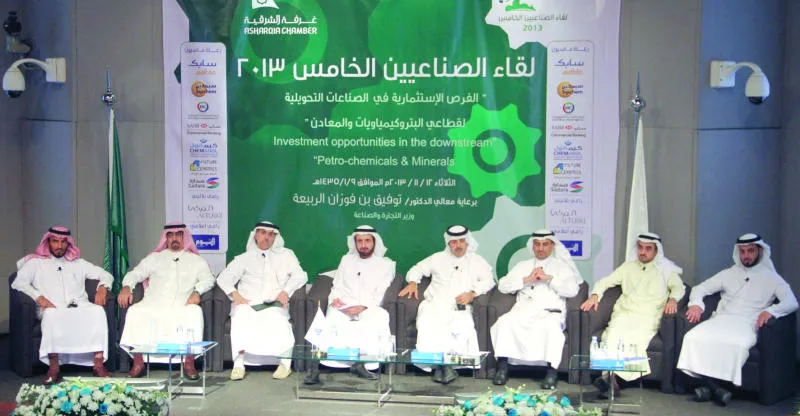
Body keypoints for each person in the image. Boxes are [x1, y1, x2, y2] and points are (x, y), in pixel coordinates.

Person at [677, 234, 798, 406]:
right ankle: (717, 390)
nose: (746, 255)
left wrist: (771, 311)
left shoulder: (772, 278)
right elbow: (700, 288)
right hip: (721, 320)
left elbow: (791, 302)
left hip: (748, 323)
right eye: (742, 251)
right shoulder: (728, 274)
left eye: (750, 251)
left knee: (737, 345)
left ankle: (709, 388)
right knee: (692, 337)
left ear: (759, 251)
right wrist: (696, 304)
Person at [580, 232, 685, 397]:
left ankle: (612, 380)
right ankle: (612, 380)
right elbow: (604, 282)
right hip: (625, 314)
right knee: (612, 336)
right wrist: (595, 295)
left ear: (656, 250)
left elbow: (679, 287)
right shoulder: (628, 267)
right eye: (640, 248)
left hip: (647, 317)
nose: (643, 252)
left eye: (648, 249)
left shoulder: (667, 270)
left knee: (634, 341)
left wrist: (673, 300)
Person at [12, 226, 113, 384]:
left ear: (68, 243)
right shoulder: (35, 263)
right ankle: (54, 367)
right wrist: (39, 297)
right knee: (52, 315)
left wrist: (102, 287)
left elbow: (106, 274)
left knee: (98, 312)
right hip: (52, 306)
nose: (59, 246)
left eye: (63, 242)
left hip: (79, 305)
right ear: (48, 242)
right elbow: (18, 282)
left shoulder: (78, 263)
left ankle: (98, 364)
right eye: (55, 241)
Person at [398, 225, 495, 384]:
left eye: (461, 241)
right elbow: (416, 269)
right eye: (454, 242)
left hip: (459, 306)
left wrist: (472, 293)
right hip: (434, 303)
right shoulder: (437, 258)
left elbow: (489, 280)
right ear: (448, 243)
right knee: (427, 322)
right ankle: (440, 365)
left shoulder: (476, 261)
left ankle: (446, 366)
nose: (458, 245)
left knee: (461, 325)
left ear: (467, 242)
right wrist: (413, 282)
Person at [118, 223, 215, 380]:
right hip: (153, 303)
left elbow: (209, 279)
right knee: (135, 311)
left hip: (182, 305)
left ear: (184, 237)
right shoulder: (154, 258)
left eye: (178, 234)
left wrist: (197, 291)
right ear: (166, 238)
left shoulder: (196, 261)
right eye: (170, 235)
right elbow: (135, 273)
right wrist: (127, 286)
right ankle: (138, 363)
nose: (174, 238)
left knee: (195, 312)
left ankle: (188, 362)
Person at [304, 225, 396, 385]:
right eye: (359, 241)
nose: (363, 244)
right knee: (330, 320)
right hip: (344, 304)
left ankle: (362, 364)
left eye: (367, 240)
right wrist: (336, 299)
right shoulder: (346, 260)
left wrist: (363, 306)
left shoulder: (385, 264)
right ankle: (315, 366)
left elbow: (381, 292)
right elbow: (337, 285)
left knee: (379, 318)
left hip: (369, 306)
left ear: (374, 242)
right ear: (355, 243)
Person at [490, 229, 582, 389]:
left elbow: (572, 290)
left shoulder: (562, 267)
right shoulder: (523, 265)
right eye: (537, 244)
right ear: (532, 246)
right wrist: (527, 279)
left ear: (552, 245)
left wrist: (549, 279)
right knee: (504, 323)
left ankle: (551, 372)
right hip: (524, 310)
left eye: (545, 244)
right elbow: (503, 286)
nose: (540, 248)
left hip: (550, 312)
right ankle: (503, 368)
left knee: (551, 329)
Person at [216, 221, 308, 381]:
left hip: (275, 303)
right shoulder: (244, 258)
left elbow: (301, 276)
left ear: (275, 237)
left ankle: (284, 364)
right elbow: (224, 278)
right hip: (248, 303)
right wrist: (234, 294)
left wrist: (286, 291)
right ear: (256, 235)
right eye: (263, 233)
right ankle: (239, 364)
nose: (267, 237)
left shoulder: (286, 255)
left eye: (271, 234)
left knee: (278, 320)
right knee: (241, 317)